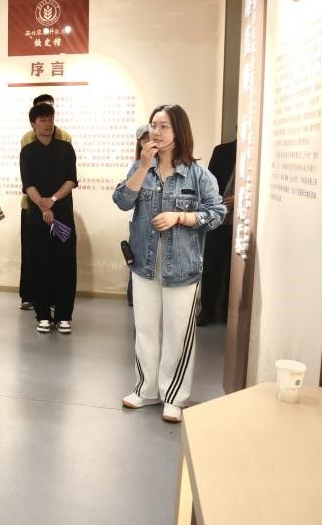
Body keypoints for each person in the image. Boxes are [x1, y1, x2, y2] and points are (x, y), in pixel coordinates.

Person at [112, 104, 225, 424]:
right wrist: (142, 166)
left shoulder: (198, 175)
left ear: (179, 132)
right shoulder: (140, 168)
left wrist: (181, 217)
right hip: (144, 264)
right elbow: (121, 201)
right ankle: (146, 389)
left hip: (183, 267)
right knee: (145, 330)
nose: (156, 132)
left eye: (163, 126)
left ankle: (174, 396)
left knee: (178, 334)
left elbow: (217, 214)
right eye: (153, 125)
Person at [20, 103, 78, 334]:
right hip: (37, 217)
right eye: (42, 120)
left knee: (65, 264)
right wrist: (43, 205)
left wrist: (52, 200)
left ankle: (64, 316)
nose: (47, 123)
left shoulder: (65, 148)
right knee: (39, 264)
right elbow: (28, 184)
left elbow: (71, 180)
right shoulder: (28, 151)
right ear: (33, 125)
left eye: (50, 118)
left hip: (62, 216)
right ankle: (43, 315)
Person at [198, 138, 237, 326]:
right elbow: (209, 185)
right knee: (211, 266)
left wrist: (240, 196)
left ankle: (229, 314)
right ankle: (207, 311)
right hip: (218, 218)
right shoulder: (222, 151)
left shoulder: (260, 153)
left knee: (235, 270)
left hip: (244, 221)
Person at [126, 125, 153, 307]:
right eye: (144, 139)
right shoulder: (136, 166)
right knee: (137, 257)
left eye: (150, 137)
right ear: (139, 142)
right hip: (136, 219)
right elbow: (124, 198)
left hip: (156, 220)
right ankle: (133, 296)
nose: (148, 141)